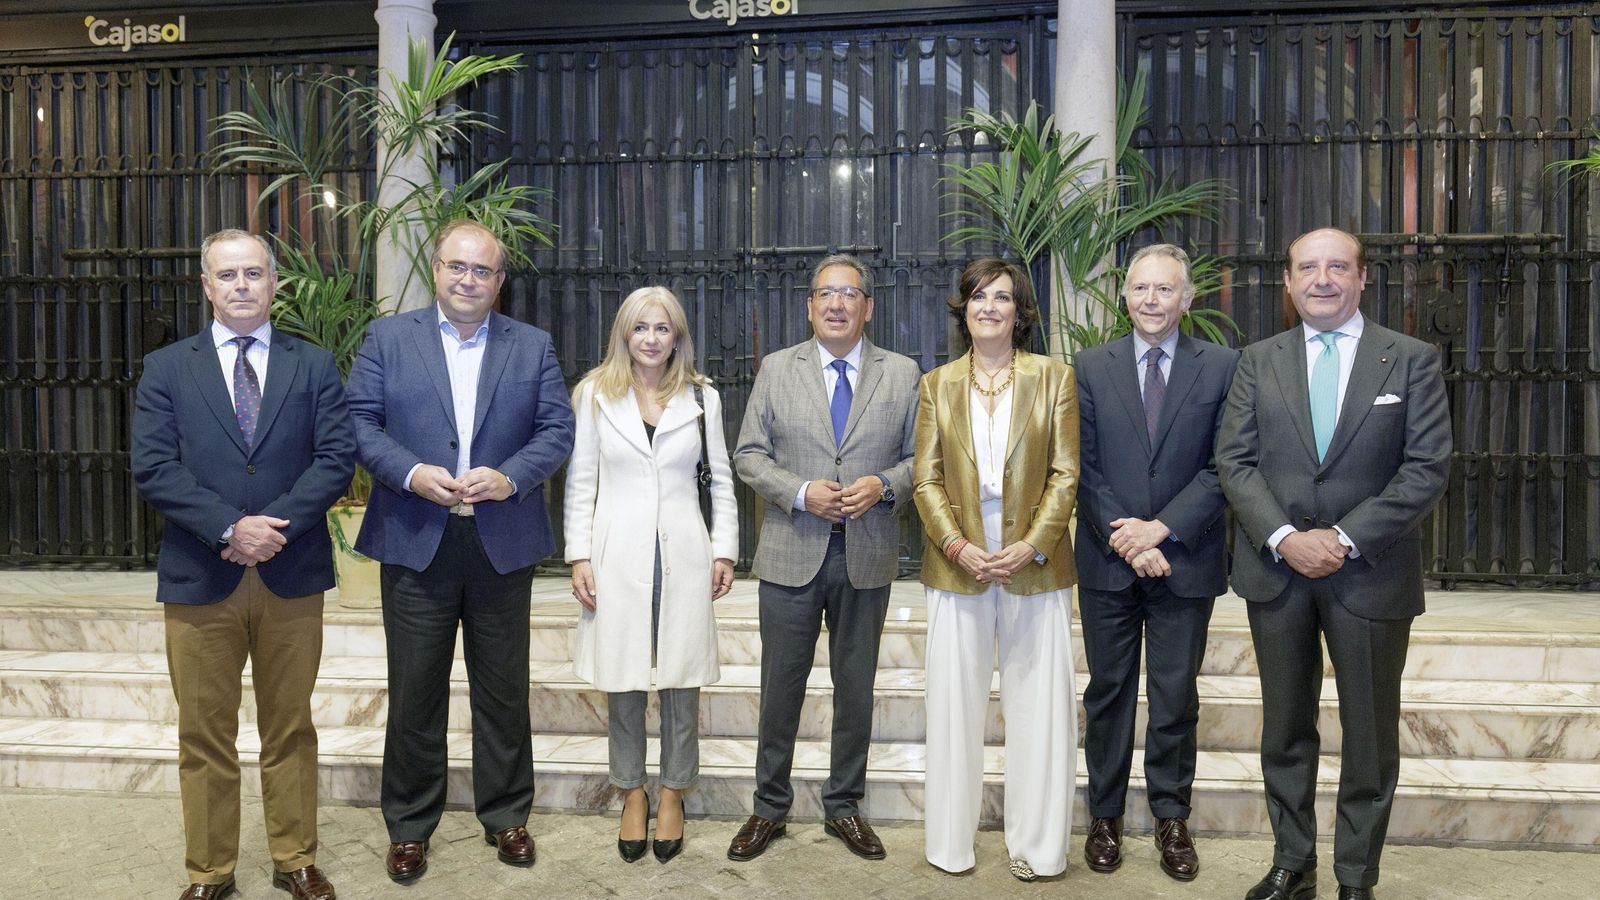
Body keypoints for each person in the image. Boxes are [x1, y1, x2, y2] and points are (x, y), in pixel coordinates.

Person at [1217, 228, 1451, 900]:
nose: (1323, 279)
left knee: (1369, 734)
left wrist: (1343, 538)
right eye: (1308, 268)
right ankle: (1294, 861)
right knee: (1285, 727)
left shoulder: (1408, 360)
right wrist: (1287, 536)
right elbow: (1234, 462)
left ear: (1362, 278)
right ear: (1287, 283)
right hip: (1277, 572)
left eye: (1337, 267)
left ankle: (1356, 876)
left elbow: (1426, 466)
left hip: (1370, 573)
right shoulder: (1256, 361)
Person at [345, 219, 575, 883]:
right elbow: (361, 422)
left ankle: (507, 816)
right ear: (437, 270)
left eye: (482, 271)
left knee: (502, 691)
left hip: (502, 540)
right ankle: (410, 826)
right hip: (416, 536)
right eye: (456, 267)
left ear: (499, 282)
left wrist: (513, 477)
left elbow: (556, 429)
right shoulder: (390, 339)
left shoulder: (531, 347)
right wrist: (412, 473)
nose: (467, 279)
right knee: (415, 691)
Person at [132, 229, 354, 900]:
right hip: (201, 577)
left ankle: (295, 859)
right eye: (226, 275)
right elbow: (153, 466)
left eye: (253, 273)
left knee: (291, 726)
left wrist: (270, 530)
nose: (240, 286)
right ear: (206, 285)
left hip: (291, 573)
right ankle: (210, 870)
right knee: (205, 732)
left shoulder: (312, 366)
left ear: (274, 281)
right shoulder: (168, 367)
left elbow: (335, 459)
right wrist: (230, 527)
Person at [726, 253, 920, 862]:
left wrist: (884, 486)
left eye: (850, 294)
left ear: (869, 306)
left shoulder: (904, 373)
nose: (837, 304)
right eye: (825, 294)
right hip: (790, 553)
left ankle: (845, 807)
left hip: (866, 556)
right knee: (779, 687)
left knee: (855, 688)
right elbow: (749, 456)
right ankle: (769, 807)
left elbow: (925, 461)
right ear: (809, 306)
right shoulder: (777, 369)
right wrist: (801, 492)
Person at [1073, 244, 1239, 882]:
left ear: (1187, 298)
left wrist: (1161, 532)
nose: (1150, 300)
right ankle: (1106, 817)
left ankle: (1172, 818)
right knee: (1109, 692)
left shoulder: (1223, 367)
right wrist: (1128, 538)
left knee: (1175, 696)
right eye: (1140, 288)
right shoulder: (1089, 366)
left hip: (1185, 561)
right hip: (1108, 561)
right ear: (1125, 295)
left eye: (1164, 290)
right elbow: (1080, 465)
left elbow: (1225, 463)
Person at [913, 258, 1079, 882]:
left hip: (1033, 567)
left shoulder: (1054, 378)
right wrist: (957, 546)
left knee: (1040, 709)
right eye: (979, 296)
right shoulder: (937, 385)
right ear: (964, 309)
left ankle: (1037, 847)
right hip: (958, 566)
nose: (989, 307)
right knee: (952, 708)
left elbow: (1066, 473)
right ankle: (949, 845)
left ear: (1019, 312)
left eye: (1002, 298)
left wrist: (1032, 544)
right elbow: (925, 477)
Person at [563, 286, 739, 864]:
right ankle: (632, 793)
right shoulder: (593, 394)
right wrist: (579, 555)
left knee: (682, 683)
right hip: (617, 554)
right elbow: (581, 480)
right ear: (624, 334)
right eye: (641, 328)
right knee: (625, 683)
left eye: (662, 329)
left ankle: (673, 794)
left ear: (677, 336)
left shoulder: (701, 397)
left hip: (685, 551)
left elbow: (720, 482)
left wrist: (724, 550)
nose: (651, 339)